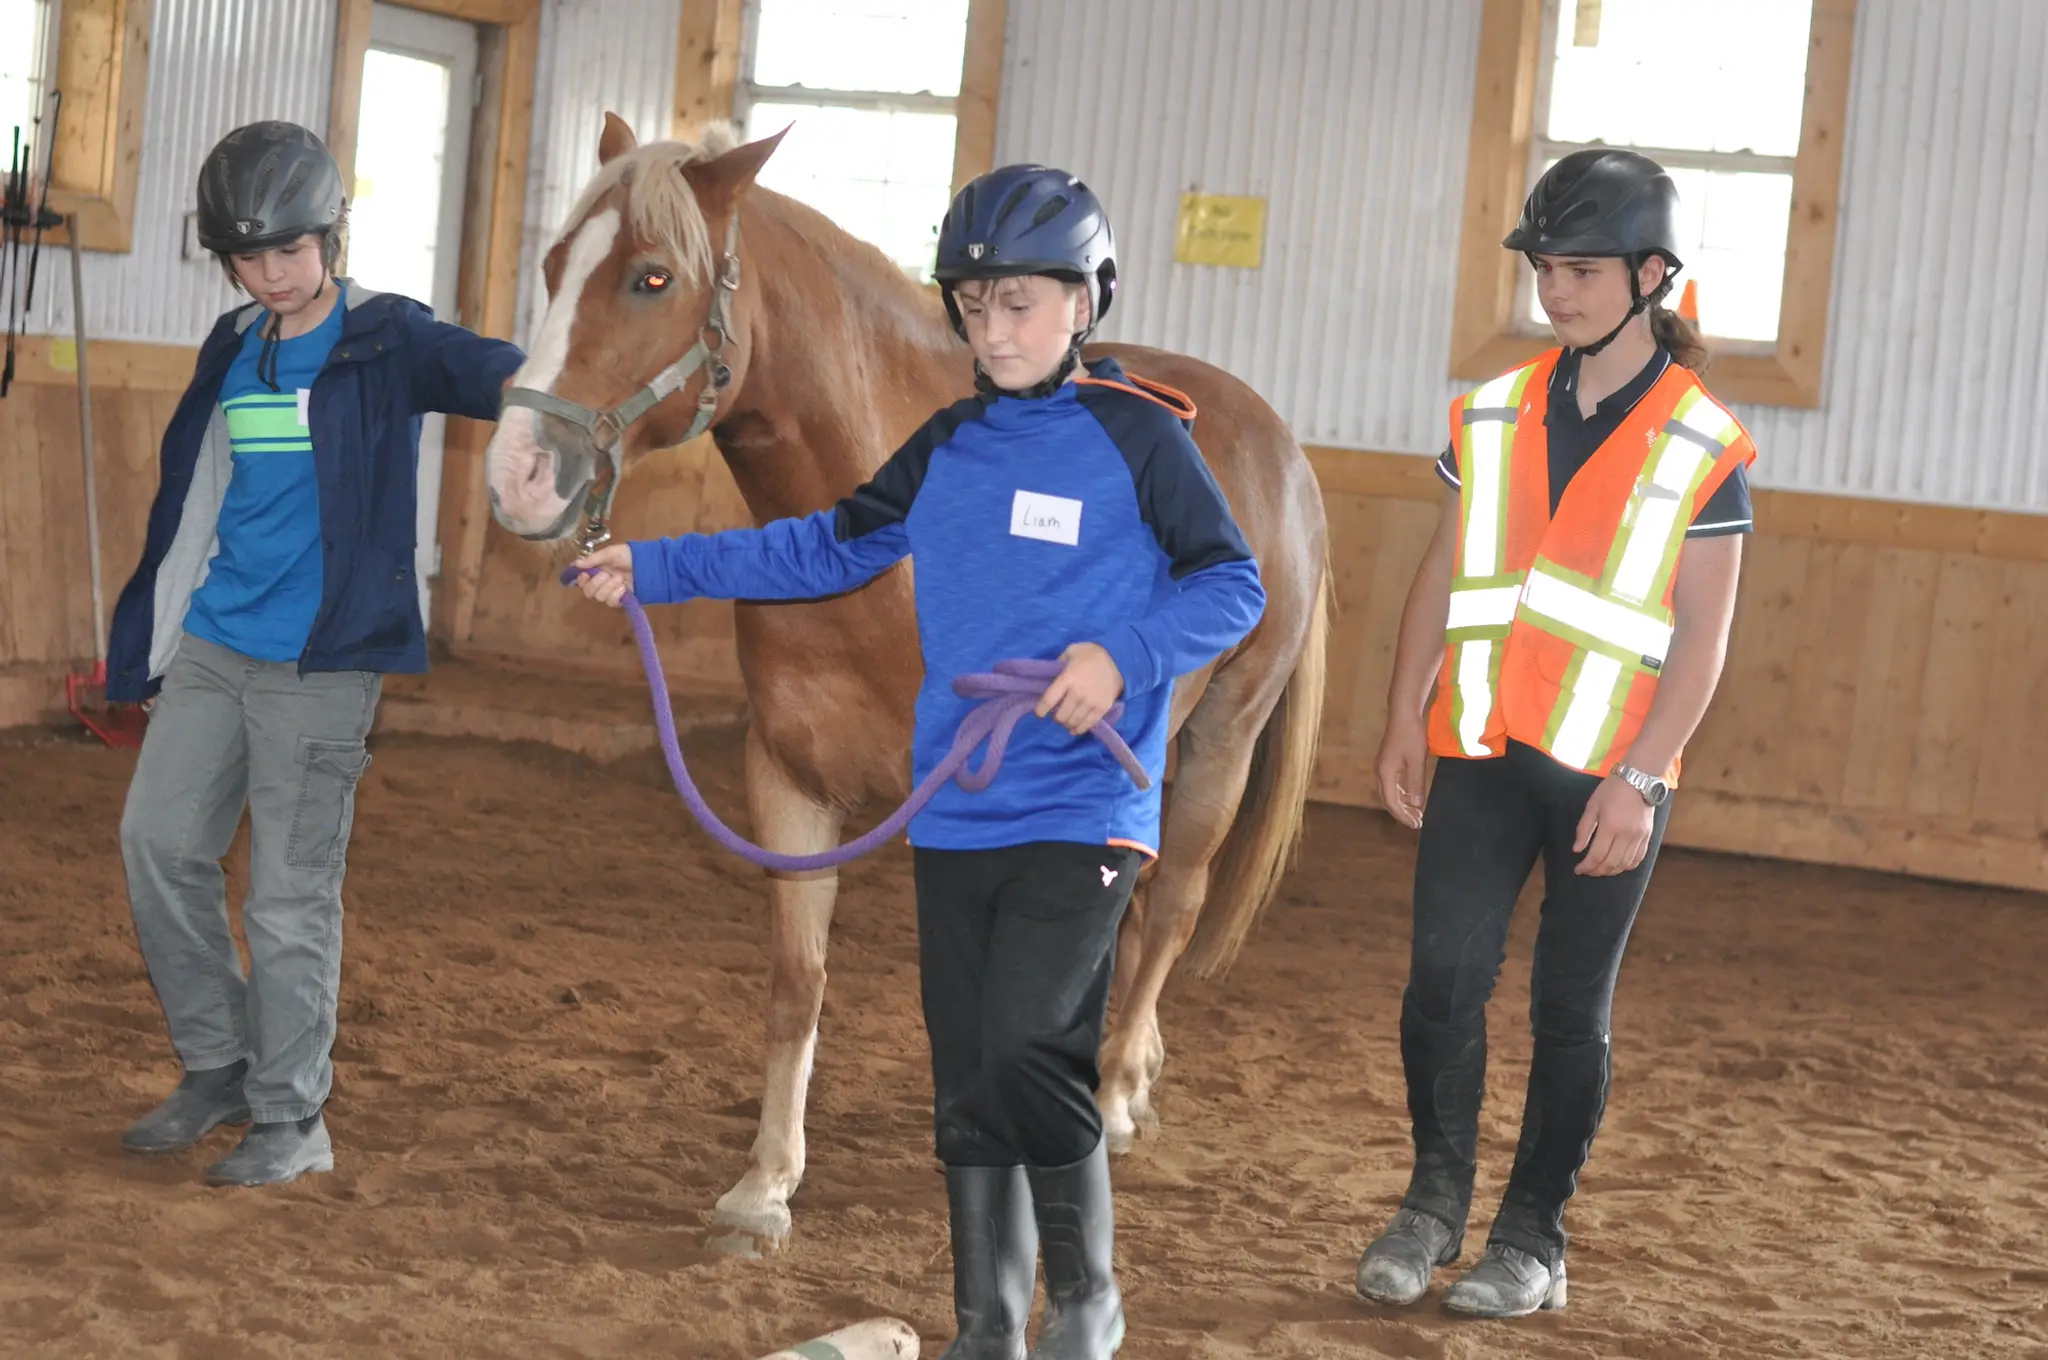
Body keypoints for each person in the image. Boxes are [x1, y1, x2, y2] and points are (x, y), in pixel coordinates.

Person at [570, 164, 1267, 1359]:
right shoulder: (948, 443)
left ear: (1083, 303)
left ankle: (1085, 1301)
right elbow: (824, 546)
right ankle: (987, 1323)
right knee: (967, 1075)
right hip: (960, 807)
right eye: (975, 306)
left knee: (1030, 1047)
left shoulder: (1140, 437)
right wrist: (656, 565)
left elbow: (1230, 583)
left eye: (1021, 305)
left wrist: (1122, 656)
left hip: (1082, 802)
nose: (993, 331)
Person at [1352, 148, 1756, 1317]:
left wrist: (1641, 777)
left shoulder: (1699, 441)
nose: (1554, 289)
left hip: (1607, 776)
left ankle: (1531, 1236)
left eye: (1579, 269)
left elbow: (1704, 635)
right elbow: (1442, 568)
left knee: (1567, 1009)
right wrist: (1401, 713)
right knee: (1440, 981)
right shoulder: (1490, 411)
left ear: (1648, 275)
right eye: (1543, 267)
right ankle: (1431, 1204)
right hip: (1480, 750)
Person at [105, 120, 524, 1187]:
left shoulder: (389, 339)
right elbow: (196, 497)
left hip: (322, 664)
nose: (272, 274)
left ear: (330, 236)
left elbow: (496, 373)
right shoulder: (231, 345)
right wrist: (154, 637)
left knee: (288, 898)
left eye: (290, 250)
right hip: (215, 644)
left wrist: (563, 397)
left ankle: (293, 1118)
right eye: (249, 257)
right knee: (157, 843)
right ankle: (220, 1062)